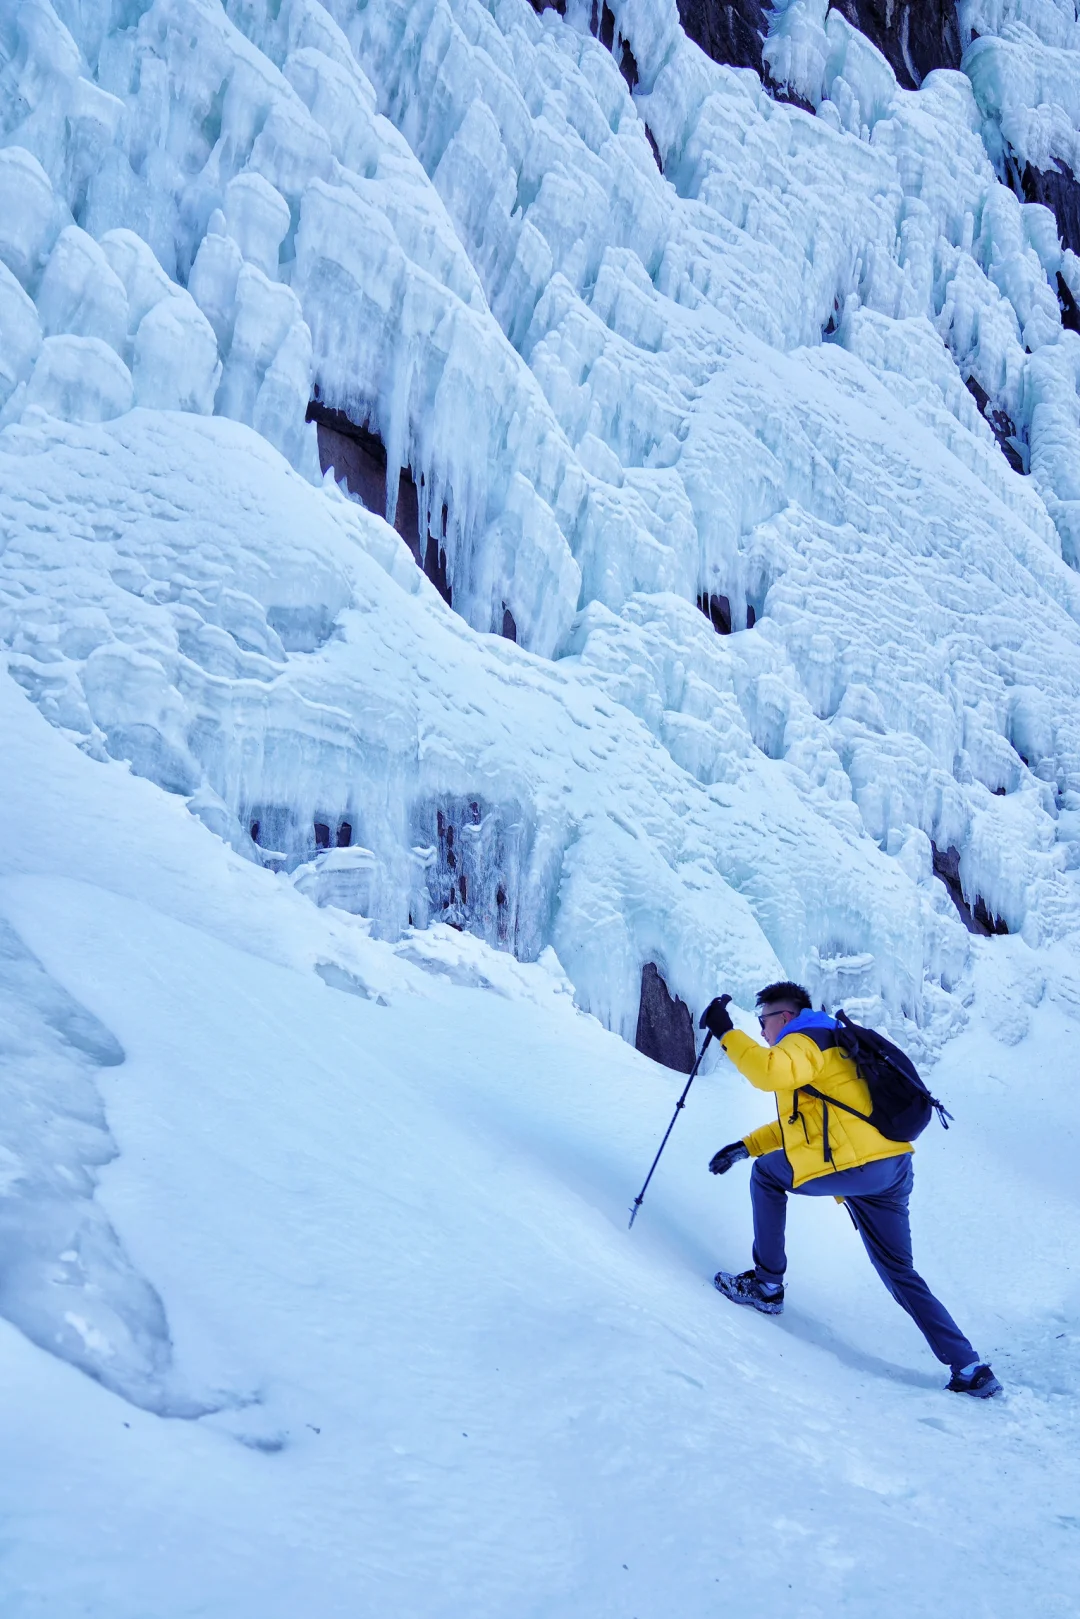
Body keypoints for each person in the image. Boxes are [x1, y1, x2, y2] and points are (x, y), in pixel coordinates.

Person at [700, 981, 1002, 1399]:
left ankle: (767, 1287)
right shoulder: (833, 1040)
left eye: (763, 1021)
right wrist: (744, 1147)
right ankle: (969, 1366)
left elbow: (768, 1072)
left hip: (857, 1166)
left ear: (784, 1017)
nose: (763, 1032)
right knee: (899, 1270)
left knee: (768, 1176)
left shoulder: (803, 1039)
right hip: (891, 1165)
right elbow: (810, 1124)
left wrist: (725, 1031)